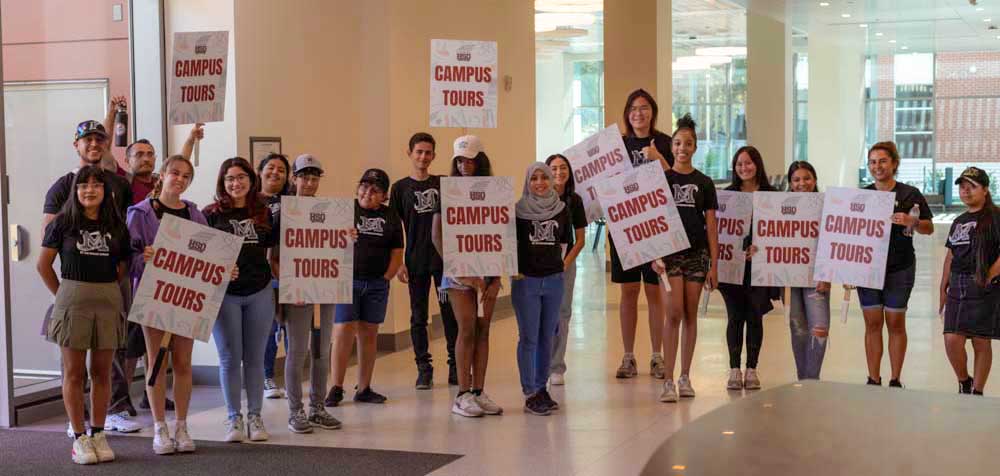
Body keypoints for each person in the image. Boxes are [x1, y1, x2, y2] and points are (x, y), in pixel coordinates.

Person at [43, 120, 140, 436]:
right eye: (88, 140)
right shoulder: (62, 187)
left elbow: (127, 241)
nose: (94, 144)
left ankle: (113, 412)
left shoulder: (119, 184)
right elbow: (48, 244)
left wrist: (116, 277)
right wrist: (63, 292)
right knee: (73, 360)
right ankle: (77, 424)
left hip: (110, 286)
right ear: (76, 144)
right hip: (74, 286)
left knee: (109, 354)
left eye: (101, 139)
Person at [37, 166, 132, 464]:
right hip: (72, 300)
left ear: (106, 191)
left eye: (96, 185)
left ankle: (99, 433)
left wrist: (106, 291)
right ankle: (79, 438)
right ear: (75, 191)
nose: (89, 190)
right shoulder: (62, 223)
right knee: (75, 373)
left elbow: (123, 268)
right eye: (83, 186)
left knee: (102, 372)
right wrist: (63, 297)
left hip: (108, 300)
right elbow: (43, 265)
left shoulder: (117, 225)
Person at [126, 155, 208, 454]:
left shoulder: (195, 215)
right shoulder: (140, 213)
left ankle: (182, 425)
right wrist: (141, 259)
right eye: (175, 173)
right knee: (156, 361)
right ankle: (160, 426)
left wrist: (225, 269)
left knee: (183, 363)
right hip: (154, 296)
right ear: (162, 175)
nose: (180, 179)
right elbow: (127, 259)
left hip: (186, 297)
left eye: (186, 176)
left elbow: (207, 256)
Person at [203, 157, 278, 442]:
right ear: (222, 183)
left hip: (259, 290)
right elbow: (200, 254)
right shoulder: (210, 214)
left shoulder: (264, 213)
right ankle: (233, 417)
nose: (235, 183)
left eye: (240, 177)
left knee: (256, 358)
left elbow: (276, 251)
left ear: (251, 179)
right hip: (225, 296)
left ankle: (255, 417)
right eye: (229, 179)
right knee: (229, 359)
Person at [432, 136, 504, 418]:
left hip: (488, 273)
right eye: (460, 160)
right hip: (459, 275)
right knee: (467, 329)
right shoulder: (445, 192)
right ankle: (462, 394)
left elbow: (502, 235)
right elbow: (436, 236)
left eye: (470, 159)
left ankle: (478, 391)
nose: (465, 165)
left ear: (480, 160)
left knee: (484, 329)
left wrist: (495, 276)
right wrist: (459, 269)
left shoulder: (494, 191)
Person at [653, 114, 719, 403]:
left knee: (691, 314)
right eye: (678, 143)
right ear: (672, 147)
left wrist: (713, 264)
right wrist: (653, 253)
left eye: (688, 143)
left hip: (696, 254)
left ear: (695, 147)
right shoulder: (661, 180)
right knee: (673, 313)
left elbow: (712, 226)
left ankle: (685, 376)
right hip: (668, 256)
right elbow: (651, 218)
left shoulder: (704, 183)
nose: (682, 147)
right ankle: (668, 379)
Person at [857, 141, 933, 388]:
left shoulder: (909, 194)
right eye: (872, 162)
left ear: (894, 163)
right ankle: (873, 377)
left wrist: (911, 222)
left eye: (882, 161)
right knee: (872, 324)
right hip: (868, 270)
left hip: (900, 268)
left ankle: (895, 378)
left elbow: (929, 228)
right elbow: (849, 234)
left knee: (895, 323)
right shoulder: (862, 195)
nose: (877, 166)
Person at [326, 169, 404, 407]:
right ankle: (336, 387)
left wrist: (387, 276)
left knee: (369, 334)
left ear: (384, 196)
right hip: (348, 281)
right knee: (342, 332)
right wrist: (341, 234)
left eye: (375, 190)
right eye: (363, 186)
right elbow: (326, 241)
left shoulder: (391, 216)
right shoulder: (344, 210)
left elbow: (397, 250)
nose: (367, 192)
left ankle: (364, 387)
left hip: (377, 283)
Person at [389, 132, 459, 389]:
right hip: (415, 262)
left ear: (434, 155)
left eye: (428, 152)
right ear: (409, 153)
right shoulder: (399, 189)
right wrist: (398, 263)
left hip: (443, 264)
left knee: (449, 314)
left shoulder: (444, 183)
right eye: (418, 152)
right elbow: (394, 230)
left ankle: (455, 365)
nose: (423, 157)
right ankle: (424, 368)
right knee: (418, 316)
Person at [611, 89, 673, 379]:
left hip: (655, 226)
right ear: (627, 113)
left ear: (653, 111)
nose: (639, 113)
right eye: (633, 108)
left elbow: (676, 179)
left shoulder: (665, 142)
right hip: (624, 227)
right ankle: (628, 356)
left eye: (645, 107)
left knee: (654, 292)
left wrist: (658, 157)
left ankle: (657, 356)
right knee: (628, 292)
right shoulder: (617, 145)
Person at [279, 155, 342, 433]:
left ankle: (318, 407)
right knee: (297, 351)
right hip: (298, 293)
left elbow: (338, 248)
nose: (309, 182)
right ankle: (296, 411)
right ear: (294, 178)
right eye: (304, 177)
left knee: (321, 350)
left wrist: (347, 237)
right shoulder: (284, 211)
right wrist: (291, 284)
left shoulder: (330, 211)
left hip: (325, 289)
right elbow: (274, 257)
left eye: (315, 178)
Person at [717, 147, 779, 390]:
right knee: (735, 316)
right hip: (731, 267)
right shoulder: (727, 195)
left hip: (760, 266)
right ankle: (734, 369)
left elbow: (779, 233)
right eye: (739, 164)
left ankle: (752, 369)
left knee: (754, 315)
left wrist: (761, 248)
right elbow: (718, 230)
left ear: (758, 164)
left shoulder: (772, 195)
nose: (744, 168)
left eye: (749, 163)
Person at [512, 164, 568, 416]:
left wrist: (559, 269)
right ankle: (530, 391)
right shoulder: (518, 211)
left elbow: (565, 242)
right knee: (529, 337)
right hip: (527, 282)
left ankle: (542, 387)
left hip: (554, 280)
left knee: (548, 336)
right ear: (527, 182)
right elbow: (509, 245)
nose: (539, 182)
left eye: (544, 177)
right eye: (533, 178)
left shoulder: (561, 210)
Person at [939, 167, 1000, 395]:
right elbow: (951, 255)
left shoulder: (995, 217)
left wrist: (989, 275)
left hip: (985, 286)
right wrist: (943, 286)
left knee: (981, 341)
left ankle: (977, 391)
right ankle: (964, 380)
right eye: (962, 187)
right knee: (952, 338)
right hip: (958, 284)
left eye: (971, 186)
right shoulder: (958, 221)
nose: (965, 191)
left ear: (985, 189)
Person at [784, 161, 832, 380]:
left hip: (818, 276)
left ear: (814, 180)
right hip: (791, 277)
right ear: (790, 183)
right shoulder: (781, 207)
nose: (802, 183)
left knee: (819, 328)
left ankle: (812, 380)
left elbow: (834, 241)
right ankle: (801, 380)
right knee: (798, 328)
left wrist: (829, 273)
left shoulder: (826, 206)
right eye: (796, 179)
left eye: (807, 178)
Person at [545, 154, 586, 386]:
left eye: (563, 168)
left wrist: (565, 264)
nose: (559, 172)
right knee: (543, 315)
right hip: (540, 265)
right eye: (554, 168)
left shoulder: (575, 201)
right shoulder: (538, 197)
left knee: (562, 313)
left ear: (569, 172)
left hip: (564, 265)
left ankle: (556, 365)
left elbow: (580, 239)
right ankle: (542, 362)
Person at [257, 152, 291, 399]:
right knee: (268, 328)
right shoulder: (250, 201)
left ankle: (293, 378)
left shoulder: (293, 201)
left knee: (291, 326)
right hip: (261, 276)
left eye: (281, 169)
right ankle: (266, 376)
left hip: (291, 272)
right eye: (270, 167)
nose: (275, 172)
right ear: (260, 171)